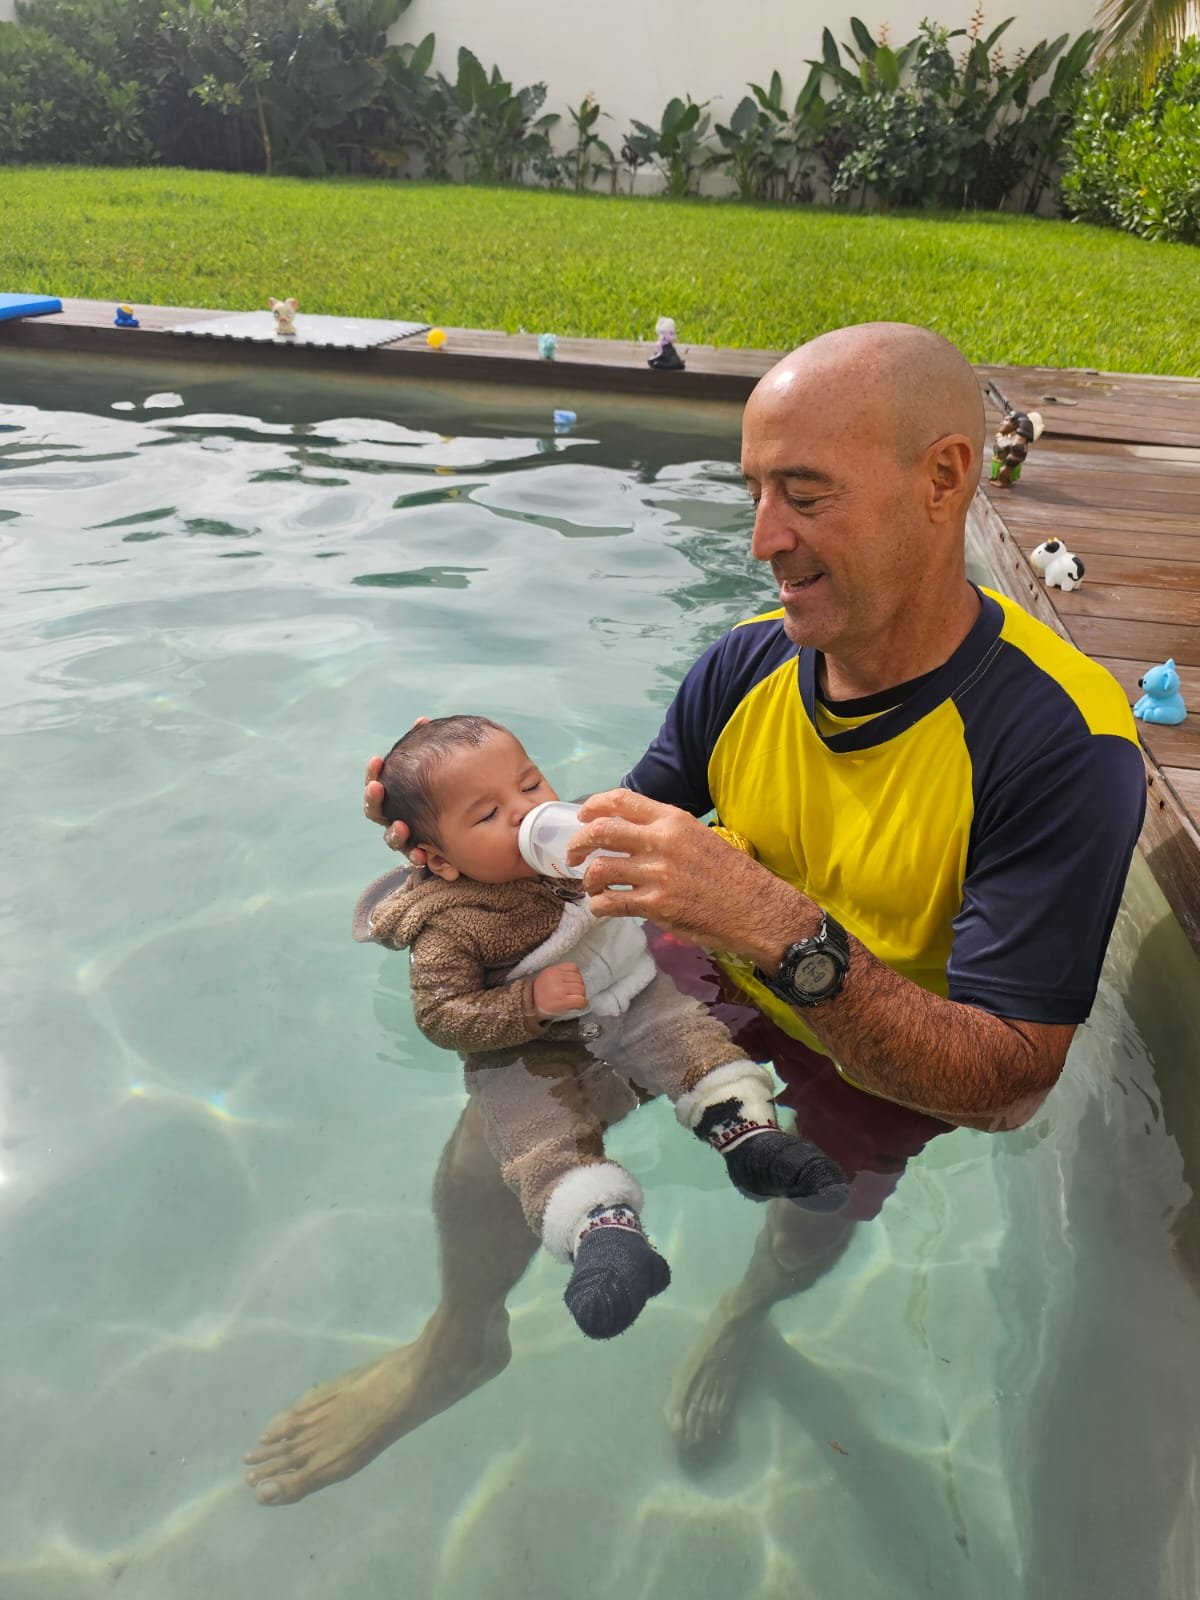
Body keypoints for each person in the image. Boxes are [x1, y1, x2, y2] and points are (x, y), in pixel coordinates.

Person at [244, 321, 1146, 1506]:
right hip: (698, 963)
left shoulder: (1060, 745)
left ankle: (748, 1316)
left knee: (806, 1212)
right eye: (757, 490)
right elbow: (591, 873)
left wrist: (775, 925)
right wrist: (461, 857)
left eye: (806, 494)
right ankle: (459, 1337)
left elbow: (1007, 1083)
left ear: (945, 481)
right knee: (493, 1143)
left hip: (888, 1049)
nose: (765, 538)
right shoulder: (743, 666)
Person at [356, 715, 848, 1342]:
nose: (525, 813)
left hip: (637, 993)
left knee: (690, 1042)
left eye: (531, 784)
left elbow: (653, 844)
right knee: (533, 1130)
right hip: (530, 1048)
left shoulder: (578, 837)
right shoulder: (450, 925)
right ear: (436, 859)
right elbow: (439, 1015)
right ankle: (604, 1237)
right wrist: (524, 1004)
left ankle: (751, 1140)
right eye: (486, 816)